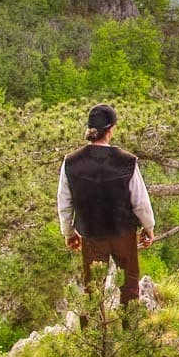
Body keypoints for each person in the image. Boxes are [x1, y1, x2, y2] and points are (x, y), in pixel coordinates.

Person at [57, 103, 155, 307]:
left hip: (91, 235)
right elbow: (140, 202)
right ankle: (131, 335)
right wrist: (148, 228)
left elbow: (64, 203)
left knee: (92, 289)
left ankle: (93, 335)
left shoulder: (71, 162)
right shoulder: (126, 161)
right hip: (123, 233)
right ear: (110, 130)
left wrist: (69, 233)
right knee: (129, 287)